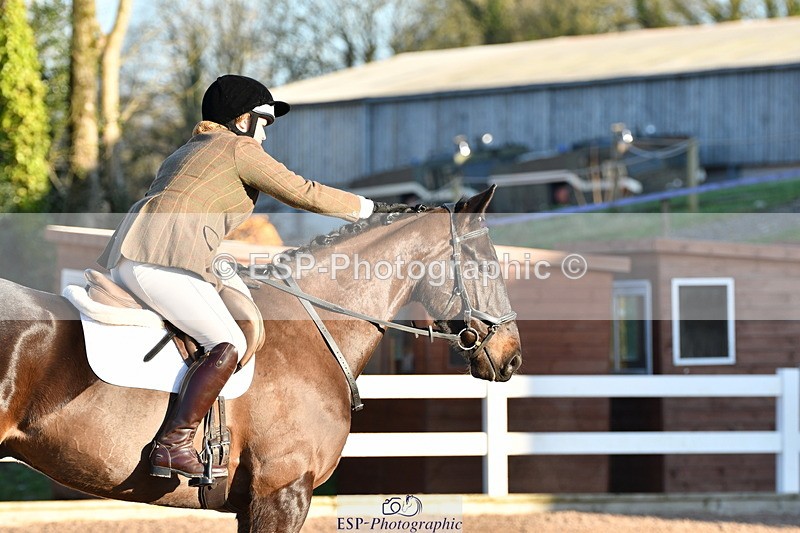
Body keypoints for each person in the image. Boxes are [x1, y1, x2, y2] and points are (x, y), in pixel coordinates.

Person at [98, 74, 401, 481]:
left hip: (136, 255)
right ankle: (174, 442)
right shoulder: (238, 148)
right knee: (228, 342)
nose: (266, 134)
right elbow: (303, 191)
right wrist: (372, 210)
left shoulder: (189, 149)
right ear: (243, 120)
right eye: (265, 122)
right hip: (160, 261)